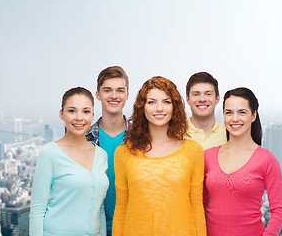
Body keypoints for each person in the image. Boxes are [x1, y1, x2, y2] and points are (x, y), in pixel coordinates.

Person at [112, 76, 206, 236]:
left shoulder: (193, 151)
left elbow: (197, 208)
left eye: (166, 102)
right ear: (142, 107)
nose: (159, 108)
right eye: (151, 102)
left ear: (174, 107)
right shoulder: (123, 153)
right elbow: (121, 208)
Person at [203, 87, 282, 235]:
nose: (235, 119)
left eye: (242, 112)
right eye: (229, 113)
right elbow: (199, 205)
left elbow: (279, 211)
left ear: (253, 115)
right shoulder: (207, 157)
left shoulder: (267, 160)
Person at [30, 87, 109, 236]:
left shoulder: (101, 155)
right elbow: (37, 210)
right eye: (72, 111)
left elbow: (100, 208)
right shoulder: (50, 153)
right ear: (62, 114)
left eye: (85, 111)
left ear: (92, 115)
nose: (79, 117)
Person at [86, 66, 129, 236]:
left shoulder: (142, 139)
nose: (113, 96)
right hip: (93, 229)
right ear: (98, 95)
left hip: (132, 227)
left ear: (126, 95)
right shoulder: (85, 138)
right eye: (107, 90)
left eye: (120, 90)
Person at [185, 72, 227, 150]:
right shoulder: (176, 134)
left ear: (217, 99)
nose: (202, 99)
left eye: (208, 94)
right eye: (196, 94)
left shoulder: (229, 135)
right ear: (187, 100)